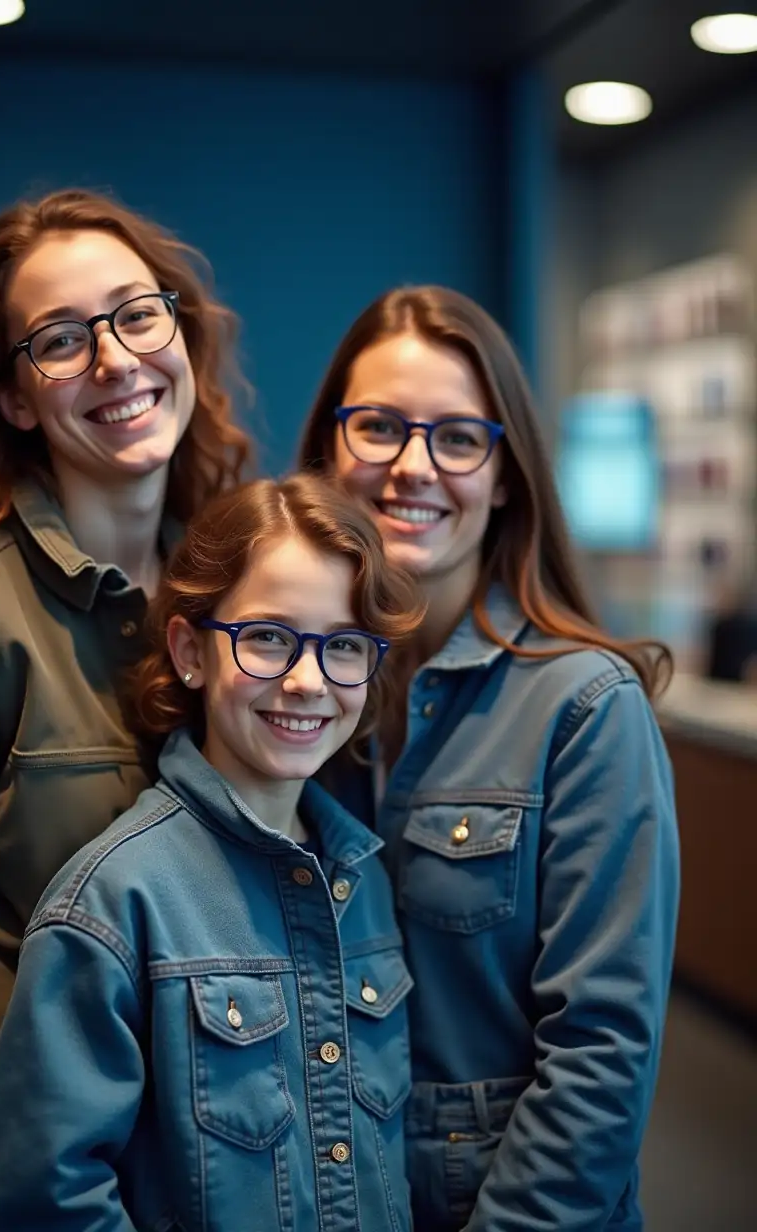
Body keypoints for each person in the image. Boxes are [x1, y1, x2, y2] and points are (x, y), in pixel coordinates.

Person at [0, 188, 251, 1232]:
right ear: (16, 398)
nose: (115, 360)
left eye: (136, 314)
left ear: (181, 333)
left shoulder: (249, 599)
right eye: (60, 339)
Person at [298, 286, 681, 1232]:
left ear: (505, 472)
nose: (412, 468)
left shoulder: (586, 707)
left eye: (458, 438)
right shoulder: (287, 697)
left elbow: (599, 1061)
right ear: (327, 455)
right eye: (378, 427)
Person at [0, 475, 422, 1232]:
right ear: (190, 651)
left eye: (343, 645)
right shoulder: (113, 902)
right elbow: (44, 1203)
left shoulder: (365, 877)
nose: (308, 681)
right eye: (269, 638)